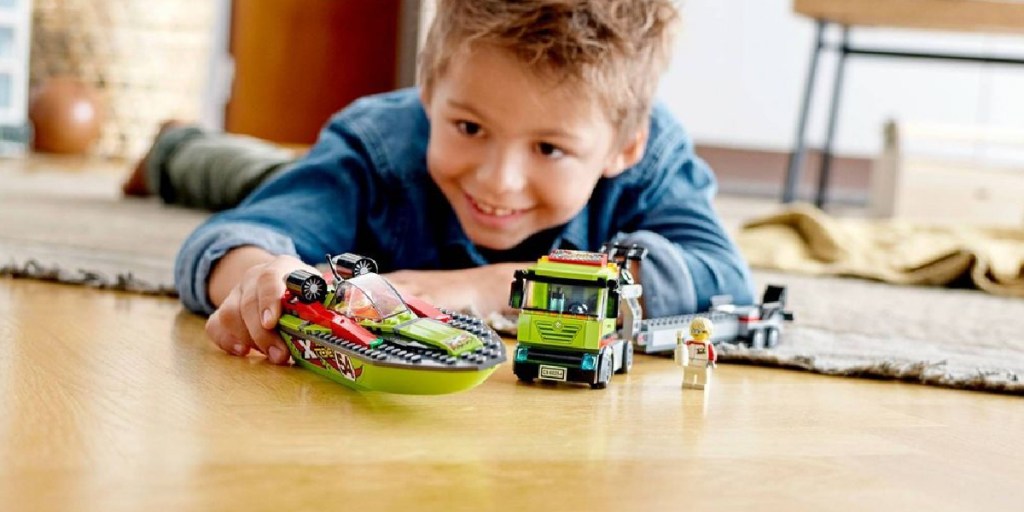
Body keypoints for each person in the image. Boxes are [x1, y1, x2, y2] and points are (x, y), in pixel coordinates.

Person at [160, 0, 754, 366]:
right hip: (361, 172)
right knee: (258, 178)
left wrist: (489, 288)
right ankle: (177, 147)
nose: (499, 180)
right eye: (469, 126)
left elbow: (723, 277)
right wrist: (265, 277)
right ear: (428, 91)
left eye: (549, 148)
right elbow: (241, 234)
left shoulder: (653, 160)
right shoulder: (378, 144)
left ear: (623, 148)